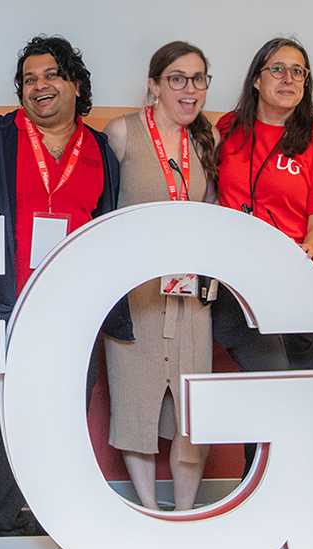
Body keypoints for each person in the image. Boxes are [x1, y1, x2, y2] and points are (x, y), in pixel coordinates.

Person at [0, 35, 125, 536]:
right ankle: (3, 517)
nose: (40, 86)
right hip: (4, 303)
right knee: (0, 412)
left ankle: (53, 507)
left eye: (51, 75)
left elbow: (109, 227)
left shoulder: (99, 149)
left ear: (76, 84)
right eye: (29, 79)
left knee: (64, 408)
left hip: (71, 306)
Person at [98, 40, 219, 512]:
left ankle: (185, 514)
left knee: (194, 410)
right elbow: (102, 213)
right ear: (153, 86)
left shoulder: (208, 143)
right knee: (136, 406)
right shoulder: (122, 134)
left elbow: (216, 219)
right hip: (137, 298)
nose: (189, 90)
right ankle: (148, 508)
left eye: (198, 79)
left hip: (192, 299)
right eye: (177, 79)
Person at [214, 37, 313, 373]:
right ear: (257, 80)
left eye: (298, 72)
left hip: (301, 266)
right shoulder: (226, 129)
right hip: (240, 272)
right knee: (271, 374)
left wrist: (304, 258)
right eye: (277, 69)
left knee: (309, 383)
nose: (288, 78)